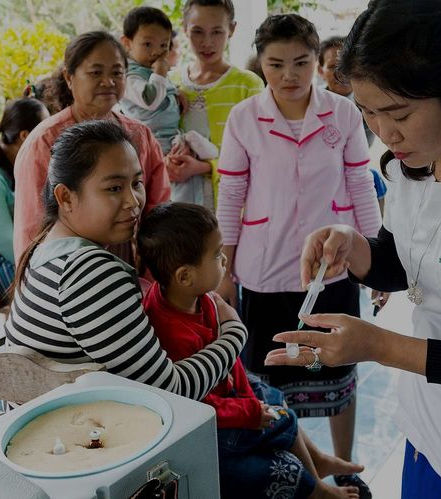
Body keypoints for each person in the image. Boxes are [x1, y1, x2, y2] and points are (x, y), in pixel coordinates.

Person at [264, 1, 441, 497]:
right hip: (429, 426)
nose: (384, 133)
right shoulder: (410, 168)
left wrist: (379, 346)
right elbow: (404, 262)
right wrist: (355, 247)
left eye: (399, 113)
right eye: (367, 112)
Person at [216, 14, 382, 498]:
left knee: (339, 371)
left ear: (318, 62)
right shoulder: (246, 118)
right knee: (272, 380)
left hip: (333, 268)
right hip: (265, 267)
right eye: (276, 64)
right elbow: (231, 195)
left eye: (301, 63)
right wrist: (225, 270)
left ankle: (346, 468)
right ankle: (303, 477)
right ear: (260, 64)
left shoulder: (344, 114)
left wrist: (376, 258)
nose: (289, 75)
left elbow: (360, 188)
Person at [5, 120, 248, 405]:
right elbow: (171, 391)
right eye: (113, 188)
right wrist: (233, 333)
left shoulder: (46, 248)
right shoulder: (89, 273)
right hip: (85, 439)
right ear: (65, 197)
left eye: (136, 183)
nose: (133, 202)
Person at [139, 202, 362, 499]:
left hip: (226, 400)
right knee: (283, 445)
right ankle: (318, 489)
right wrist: (248, 410)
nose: (224, 261)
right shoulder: (173, 334)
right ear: (184, 276)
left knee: (275, 401)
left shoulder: (200, 299)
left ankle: (318, 463)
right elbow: (200, 405)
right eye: (217, 255)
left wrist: (248, 399)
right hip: (211, 426)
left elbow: (231, 363)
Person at [13, 31, 170, 265]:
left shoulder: (141, 135)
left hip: (129, 276)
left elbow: (159, 214)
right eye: (96, 73)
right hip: (66, 278)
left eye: (117, 72)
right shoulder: (44, 142)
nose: (108, 82)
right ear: (69, 77)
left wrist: (153, 282)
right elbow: (33, 230)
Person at [170, 0, 264, 209]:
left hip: (232, 209)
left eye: (217, 32)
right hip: (180, 207)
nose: (207, 42)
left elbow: (260, 155)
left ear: (231, 29)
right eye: (198, 31)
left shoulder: (247, 85)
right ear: (185, 29)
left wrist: (204, 167)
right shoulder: (171, 84)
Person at [119, 6, 219, 200]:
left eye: (164, 45)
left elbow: (162, 92)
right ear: (127, 43)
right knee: (171, 188)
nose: (157, 52)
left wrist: (175, 92)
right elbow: (150, 100)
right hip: (152, 144)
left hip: (170, 138)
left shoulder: (151, 71)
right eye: (148, 44)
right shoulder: (129, 76)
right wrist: (161, 74)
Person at [0, 98, 49, 304]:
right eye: (46, 136)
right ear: (25, 136)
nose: (51, 142)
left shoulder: (13, 168)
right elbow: (5, 241)